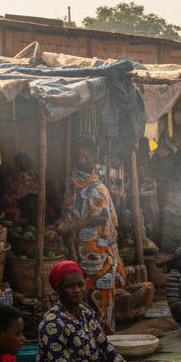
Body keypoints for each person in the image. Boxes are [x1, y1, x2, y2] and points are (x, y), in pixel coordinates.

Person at [36, 261, 157, 362]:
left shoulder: (86, 313)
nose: (77, 290)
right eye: (70, 287)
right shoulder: (53, 324)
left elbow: (106, 349)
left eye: (80, 285)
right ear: (58, 289)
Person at [59, 135, 121, 329]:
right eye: (79, 158)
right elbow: (69, 213)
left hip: (100, 255)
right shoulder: (73, 188)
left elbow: (101, 217)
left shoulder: (97, 189)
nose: (82, 162)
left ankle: (104, 340)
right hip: (81, 254)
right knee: (84, 298)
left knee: (101, 300)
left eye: (86, 158)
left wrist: (72, 227)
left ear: (93, 159)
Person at [3, 153, 39, 221]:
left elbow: (36, 188)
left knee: (31, 201)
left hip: (30, 199)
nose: (22, 164)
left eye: (24, 161)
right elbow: (8, 188)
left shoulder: (32, 174)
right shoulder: (12, 175)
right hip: (17, 201)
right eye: (20, 162)